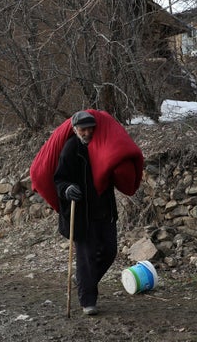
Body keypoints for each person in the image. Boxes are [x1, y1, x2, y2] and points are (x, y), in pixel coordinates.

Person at [53, 110, 118, 316]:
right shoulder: (71, 148)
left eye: (91, 128)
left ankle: (83, 280)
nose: (88, 132)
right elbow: (59, 179)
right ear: (75, 129)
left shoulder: (102, 145)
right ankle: (87, 299)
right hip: (83, 214)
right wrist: (67, 189)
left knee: (110, 251)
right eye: (83, 129)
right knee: (87, 258)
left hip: (105, 211)